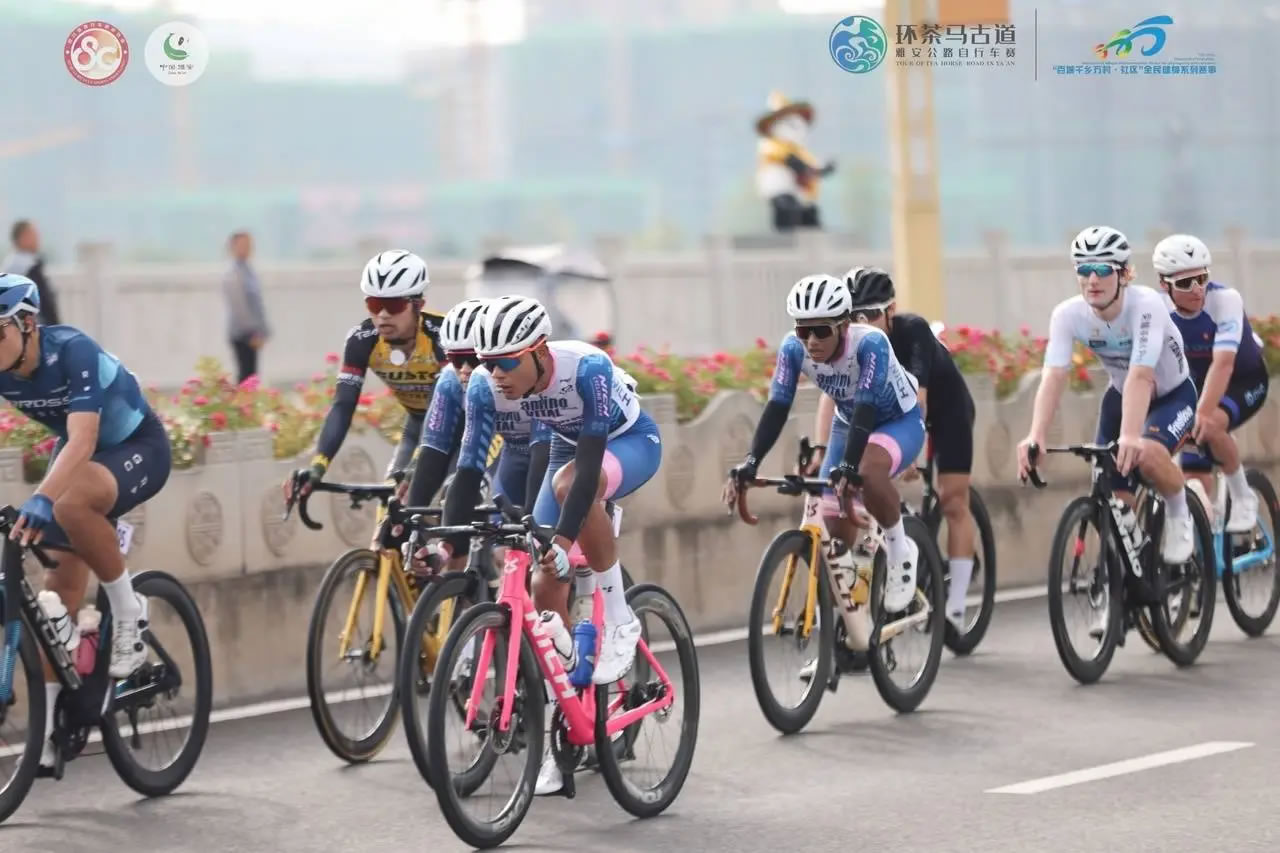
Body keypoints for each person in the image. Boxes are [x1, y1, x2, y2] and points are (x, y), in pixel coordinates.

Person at [0, 274, 170, 768]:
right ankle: (50, 736)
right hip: (79, 458)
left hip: (136, 446)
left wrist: (42, 497)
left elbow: (84, 438)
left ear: (27, 324)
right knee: (55, 603)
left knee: (69, 504)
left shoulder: (72, 349)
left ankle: (129, 607)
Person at [472, 295, 658, 679]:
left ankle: (621, 620)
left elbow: (587, 470)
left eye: (507, 362)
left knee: (569, 487)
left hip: (628, 440)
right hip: (566, 448)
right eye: (489, 364)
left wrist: (562, 540)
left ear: (540, 352)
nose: (497, 374)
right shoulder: (491, 384)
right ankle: (571, 678)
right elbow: (491, 459)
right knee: (544, 581)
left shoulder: (586, 368)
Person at [724, 273, 927, 616]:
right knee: (835, 536)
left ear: (844, 326)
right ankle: (847, 620)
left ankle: (900, 551)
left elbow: (866, 407)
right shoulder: (793, 349)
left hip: (897, 421)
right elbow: (777, 406)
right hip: (848, 423)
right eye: (803, 331)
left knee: (867, 473)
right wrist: (751, 462)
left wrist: (848, 466)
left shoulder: (870, 343)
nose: (811, 341)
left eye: (821, 331)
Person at [1016, 225, 1197, 565]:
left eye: (1102, 269)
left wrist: (1130, 435)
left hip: (1171, 395)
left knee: (1148, 454)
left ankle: (1179, 512)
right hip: (1120, 396)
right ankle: (1135, 565)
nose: (1092, 280)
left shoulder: (1146, 305)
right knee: (1111, 495)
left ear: (1125, 274)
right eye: (1084, 270)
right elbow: (1054, 375)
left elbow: (1141, 375)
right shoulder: (1068, 315)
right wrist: (1036, 435)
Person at [836, 265, 977, 629]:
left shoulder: (912, 331)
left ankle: (956, 610)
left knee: (953, 501)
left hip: (945, 410)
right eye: (852, 317)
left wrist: (909, 453)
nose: (860, 324)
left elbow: (919, 400)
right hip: (890, 412)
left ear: (891, 311)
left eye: (869, 315)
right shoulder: (850, 344)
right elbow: (833, 400)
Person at [285, 250, 445, 502]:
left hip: (463, 428)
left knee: (452, 505)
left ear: (419, 305)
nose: (382, 315)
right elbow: (343, 406)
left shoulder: (444, 335)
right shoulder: (362, 340)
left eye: (394, 305)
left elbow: (444, 406)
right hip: (417, 426)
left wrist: (418, 465)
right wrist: (318, 466)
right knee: (392, 512)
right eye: (374, 304)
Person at [406, 297, 550, 548]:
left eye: (475, 359)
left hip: (542, 449)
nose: (464, 369)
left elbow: (542, 454)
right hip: (510, 447)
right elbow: (434, 450)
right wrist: (412, 518)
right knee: (462, 498)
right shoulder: (451, 381)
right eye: (454, 359)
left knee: (527, 530)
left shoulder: (530, 378)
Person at [1153, 234, 1267, 532]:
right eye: (1184, 283)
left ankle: (1243, 496)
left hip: (1244, 379)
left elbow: (1224, 363)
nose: (1196, 289)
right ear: (1164, 284)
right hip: (1197, 384)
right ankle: (1206, 534)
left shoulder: (1225, 300)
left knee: (1210, 424)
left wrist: (1202, 413)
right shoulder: (1156, 309)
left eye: (1202, 278)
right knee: (1194, 480)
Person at [222, 230, 271, 383]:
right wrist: (252, 333)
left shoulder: (248, 270)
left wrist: (263, 331)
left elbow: (257, 304)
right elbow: (240, 308)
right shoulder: (233, 273)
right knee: (246, 378)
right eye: (242, 245)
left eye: (248, 245)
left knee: (252, 376)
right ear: (232, 247)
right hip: (243, 334)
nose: (246, 248)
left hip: (253, 333)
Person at [3, 220, 61, 326]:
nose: (38, 239)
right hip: (33, 326)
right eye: (33, 235)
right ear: (23, 238)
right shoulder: (27, 266)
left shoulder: (10, 264)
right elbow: (44, 302)